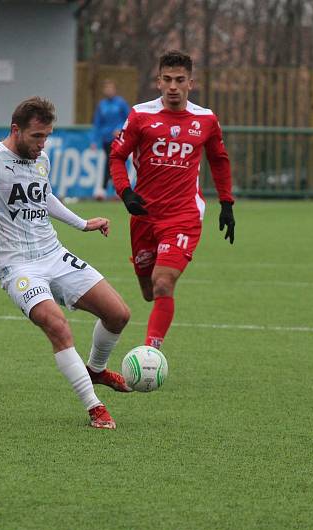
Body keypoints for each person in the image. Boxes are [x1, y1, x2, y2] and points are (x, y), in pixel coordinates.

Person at [0, 97, 132, 430]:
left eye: (47, 136)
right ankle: (95, 407)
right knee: (58, 326)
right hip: (17, 266)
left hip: (52, 253)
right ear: (16, 130)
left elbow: (44, 195)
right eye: (36, 136)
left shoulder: (41, 159)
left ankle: (95, 370)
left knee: (118, 314)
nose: (42, 144)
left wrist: (82, 223)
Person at [109, 50, 235, 351]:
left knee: (163, 282)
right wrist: (126, 193)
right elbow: (117, 156)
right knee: (149, 290)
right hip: (144, 214)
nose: (173, 87)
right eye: (168, 80)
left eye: (180, 80)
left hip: (183, 215)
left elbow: (219, 159)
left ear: (191, 83)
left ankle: (151, 353)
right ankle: (155, 322)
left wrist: (226, 203)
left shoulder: (205, 119)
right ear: (158, 82)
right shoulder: (140, 115)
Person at [90, 79, 131, 200]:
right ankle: (114, 190)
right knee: (110, 163)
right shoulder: (102, 105)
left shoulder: (121, 103)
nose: (108, 90)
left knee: (113, 162)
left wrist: (120, 129)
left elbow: (129, 119)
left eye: (111, 88)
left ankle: (106, 190)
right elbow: (97, 124)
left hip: (118, 139)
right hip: (106, 139)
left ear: (115, 89)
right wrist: (93, 140)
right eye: (106, 88)